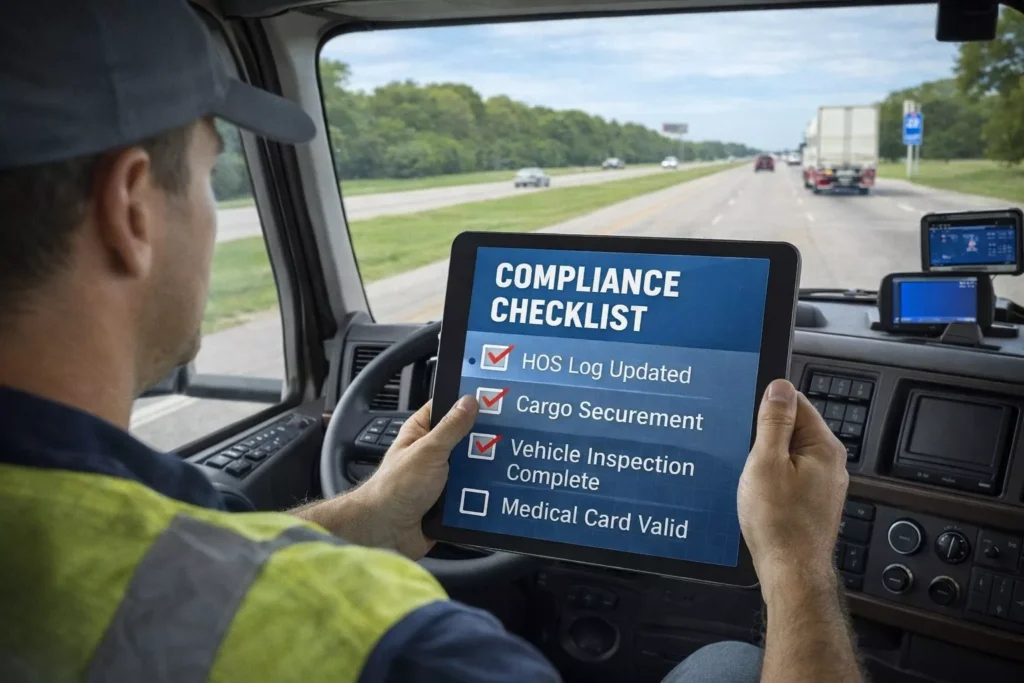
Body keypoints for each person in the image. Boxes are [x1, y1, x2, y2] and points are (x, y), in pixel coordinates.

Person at [0, 1, 863, 682]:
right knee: (729, 662)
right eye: (211, 172)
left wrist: (369, 513)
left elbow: (198, 559)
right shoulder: (401, 647)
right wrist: (794, 563)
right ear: (132, 211)